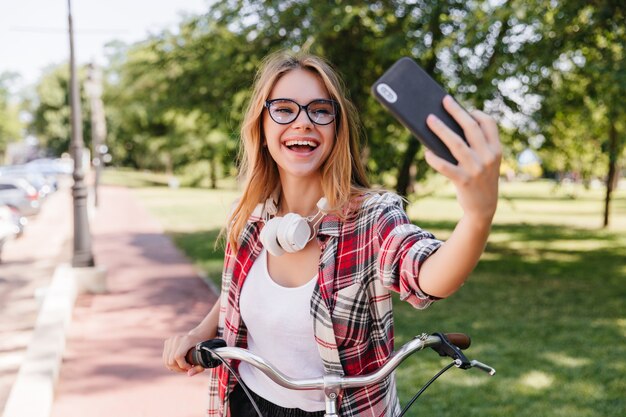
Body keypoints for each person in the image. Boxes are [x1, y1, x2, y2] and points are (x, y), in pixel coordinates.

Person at [163, 50, 501, 417]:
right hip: (244, 403)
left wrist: (477, 215)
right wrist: (201, 330)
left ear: (336, 129)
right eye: (284, 109)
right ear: (261, 127)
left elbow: (429, 275)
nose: (303, 122)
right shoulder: (251, 216)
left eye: (320, 110)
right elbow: (236, 287)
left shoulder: (372, 217)